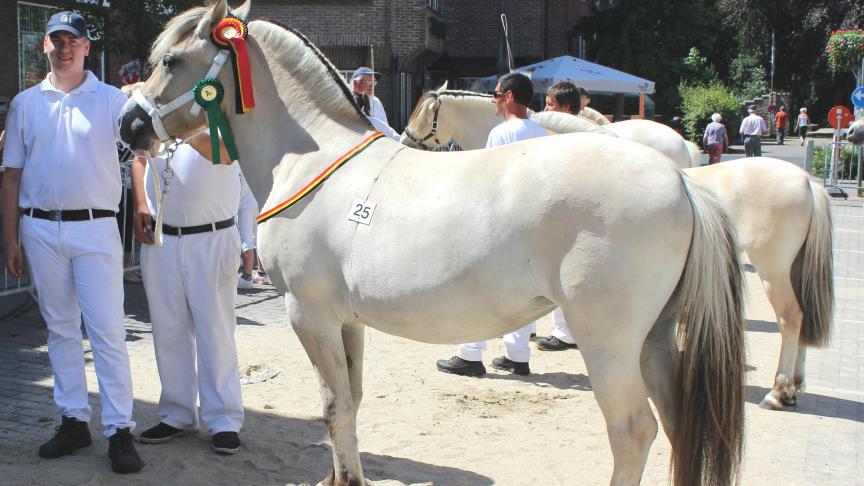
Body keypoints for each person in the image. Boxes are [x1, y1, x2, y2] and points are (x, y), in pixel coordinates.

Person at [0, 11, 143, 473]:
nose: (64, 48)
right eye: (56, 40)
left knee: (106, 332)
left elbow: (142, 151)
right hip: (40, 228)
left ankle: (120, 428)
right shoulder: (26, 102)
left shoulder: (112, 100)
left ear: (86, 46)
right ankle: (73, 420)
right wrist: (11, 239)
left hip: (96, 226)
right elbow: (12, 175)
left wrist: (142, 206)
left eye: (72, 40)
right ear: (45, 45)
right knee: (60, 331)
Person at [130, 131, 251, 455]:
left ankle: (224, 419)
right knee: (168, 330)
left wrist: (182, 127)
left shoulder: (217, 109)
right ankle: (177, 413)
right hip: (161, 238)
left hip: (212, 236)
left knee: (216, 331)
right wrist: (141, 202)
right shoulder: (159, 113)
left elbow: (226, 152)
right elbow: (140, 156)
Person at [436, 72, 547, 377]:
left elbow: (488, 181)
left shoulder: (501, 134)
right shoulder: (542, 133)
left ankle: (470, 354)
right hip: (534, 224)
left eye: (497, 94)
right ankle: (518, 355)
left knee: (478, 288)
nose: (495, 100)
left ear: (510, 97)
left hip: (502, 223)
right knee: (526, 292)